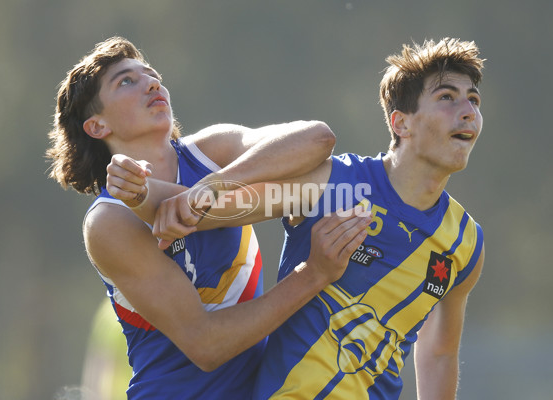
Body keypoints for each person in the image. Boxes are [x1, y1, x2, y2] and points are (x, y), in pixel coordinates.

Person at [108, 37, 486, 399]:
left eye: (473, 100)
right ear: (400, 123)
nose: (468, 111)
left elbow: (438, 352)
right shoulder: (333, 184)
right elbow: (215, 210)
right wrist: (140, 192)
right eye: (447, 98)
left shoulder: (465, 242)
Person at [46, 36, 370, 399]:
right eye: (126, 81)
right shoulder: (109, 222)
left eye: (151, 74)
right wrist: (313, 275)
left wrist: (210, 188)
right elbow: (207, 345)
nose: (152, 83)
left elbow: (318, 140)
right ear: (97, 127)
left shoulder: (213, 152)